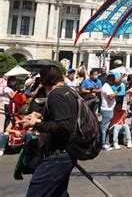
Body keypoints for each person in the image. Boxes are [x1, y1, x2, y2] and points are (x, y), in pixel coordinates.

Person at [20, 66, 78, 196]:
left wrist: (35, 124)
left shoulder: (56, 94)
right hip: (66, 153)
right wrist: (39, 117)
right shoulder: (69, 91)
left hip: (57, 156)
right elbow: (64, 118)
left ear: (44, 82)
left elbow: (64, 126)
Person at [100, 74, 120, 150]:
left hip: (108, 109)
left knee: (105, 127)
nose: (114, 81)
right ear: (109, 79)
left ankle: (104, 143)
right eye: (113, 80)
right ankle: (103, 144)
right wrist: (117, 91)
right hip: (107, 109)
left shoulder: (106, 86)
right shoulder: (107, 86)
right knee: (104, 128)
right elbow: (110, 97)